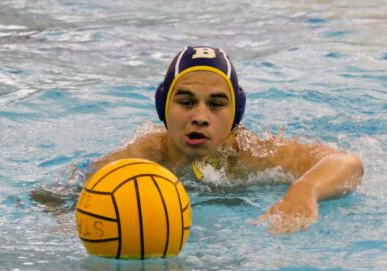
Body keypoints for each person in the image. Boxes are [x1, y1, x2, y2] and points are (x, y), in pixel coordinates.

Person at [88, 46, 364, 234]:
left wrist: (306, 189)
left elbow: (346, 163)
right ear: (163, 108)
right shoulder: (138, 159)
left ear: (235, 116)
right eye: (186, 102)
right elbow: (65, 197)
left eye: (216, 104)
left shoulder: (249, 154)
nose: (200, 117)